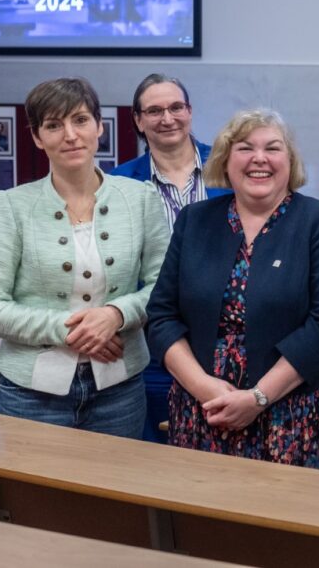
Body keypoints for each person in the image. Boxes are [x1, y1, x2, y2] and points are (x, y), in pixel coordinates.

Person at [146, 109, 319, 469]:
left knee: (285, 520)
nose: (259, 158)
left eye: (273, 148)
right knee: (200, 517)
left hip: (293, 415)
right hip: (203, 408)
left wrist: (258, 398)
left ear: (290, 162)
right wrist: (203, 388)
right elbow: (161, 316)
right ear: (226, 161)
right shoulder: (195, 221)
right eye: (245, 148)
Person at [0, 77, 170, 437]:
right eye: (53, 125)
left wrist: (115, 314)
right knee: (30, 494)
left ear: (99, 127)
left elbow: (165, 288)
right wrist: (73, 330)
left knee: (112, 493)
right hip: (32, 393)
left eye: (80, 120)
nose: (70, 135)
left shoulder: (141, 198)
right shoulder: (11, 206)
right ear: (36, 137)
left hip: (119, 390)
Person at [111, 73, 228, 442]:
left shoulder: (230, 169)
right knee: (154, 458)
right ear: (138, 120)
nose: (167, 118)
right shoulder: (117, 184)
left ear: (190, 112)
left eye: (176, 107)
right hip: (152, 345)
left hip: (225, 339)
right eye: (155, 110)